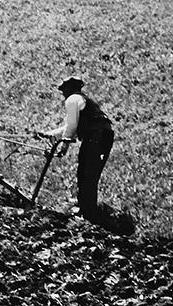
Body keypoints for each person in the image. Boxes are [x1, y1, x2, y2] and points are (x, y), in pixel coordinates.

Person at [38, 76, 115, 222]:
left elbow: (72, 126)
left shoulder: (72, 99)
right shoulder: (82, 99)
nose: (63, 94)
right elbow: (71, 125)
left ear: (70, 89)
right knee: (91, 172)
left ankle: (87, 211)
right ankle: (88, 208)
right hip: (105, 135)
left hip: (95, 136)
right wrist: (50, 135)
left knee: (86, 171)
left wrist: (64, 146)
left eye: (64, 90)